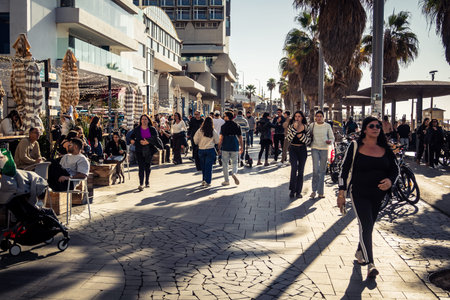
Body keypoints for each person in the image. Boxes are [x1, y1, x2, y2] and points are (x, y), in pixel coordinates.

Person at [337, 116, 399, 279]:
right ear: (364, 129)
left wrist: (390, 181)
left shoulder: (385, 148)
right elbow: (343, 170)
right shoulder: (355, 145)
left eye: (378, 126)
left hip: (378, 196)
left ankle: (359, 252)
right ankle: (370, 264)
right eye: (371, 125)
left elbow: (395, 170)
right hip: (359, 193)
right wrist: (341, 193)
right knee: (365, 226)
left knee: (368, 227)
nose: (375, 128)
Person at [130, 114, 163, 191]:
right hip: (139, 149)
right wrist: (132, 140)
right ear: (140, 121)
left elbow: (156, 138)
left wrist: (147, 141)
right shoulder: (137, 129)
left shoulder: (152, 129)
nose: (144, 121)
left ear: (148, 120)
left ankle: (147, 181)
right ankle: (141, 183)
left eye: (145, 119)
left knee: (147, 166)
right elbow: (131, 136)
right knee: (141, 166)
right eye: (142, 119)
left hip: (149, 150)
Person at [286, 111, 310, 198]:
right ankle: (292, 190)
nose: (297, 118)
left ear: (302, 118)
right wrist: (294, 129)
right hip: (293, 149)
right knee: (294, 169)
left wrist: (301, 136)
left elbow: (308, 141)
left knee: (301, 171)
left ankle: (298, 191)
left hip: (302, 150)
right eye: (296, 116)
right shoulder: (291, 127)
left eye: (299, 116)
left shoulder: (306, 127)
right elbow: (288, 138)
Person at [310, 111, 335, 199]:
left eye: (320, 116)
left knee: (322, 170)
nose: (319, 118)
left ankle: (321, 192)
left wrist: (330, 141)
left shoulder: (327, 126)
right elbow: (308, 135)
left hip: (324, 149)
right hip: (315, 148)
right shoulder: (312, 125)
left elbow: (332, 137)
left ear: (323, 117)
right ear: (315, 117)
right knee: (315, 169)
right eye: (317, 116)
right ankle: (313, 191)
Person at [218, 111, 243, 186]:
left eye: (225, 116)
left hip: (226, 145)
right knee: (235, 162)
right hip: (234, 145)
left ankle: (226, 180)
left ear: (228, 117)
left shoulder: (223, 126)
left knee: (225, 164)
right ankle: (234, 173)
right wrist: (242, 147)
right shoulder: (237, 125)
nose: (224, 117)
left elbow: (221, 138)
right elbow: (240, 137)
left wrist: (219, 147)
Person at [193, 117, 219, 187]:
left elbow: (195, 139)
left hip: (201, 150)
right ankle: (208, 181)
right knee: (209, 166)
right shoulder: (213, 131)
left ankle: (204, 180)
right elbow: (217, 141)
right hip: (210, 149)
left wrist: (199, 143)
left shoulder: (200, 130)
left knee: (203, 166)